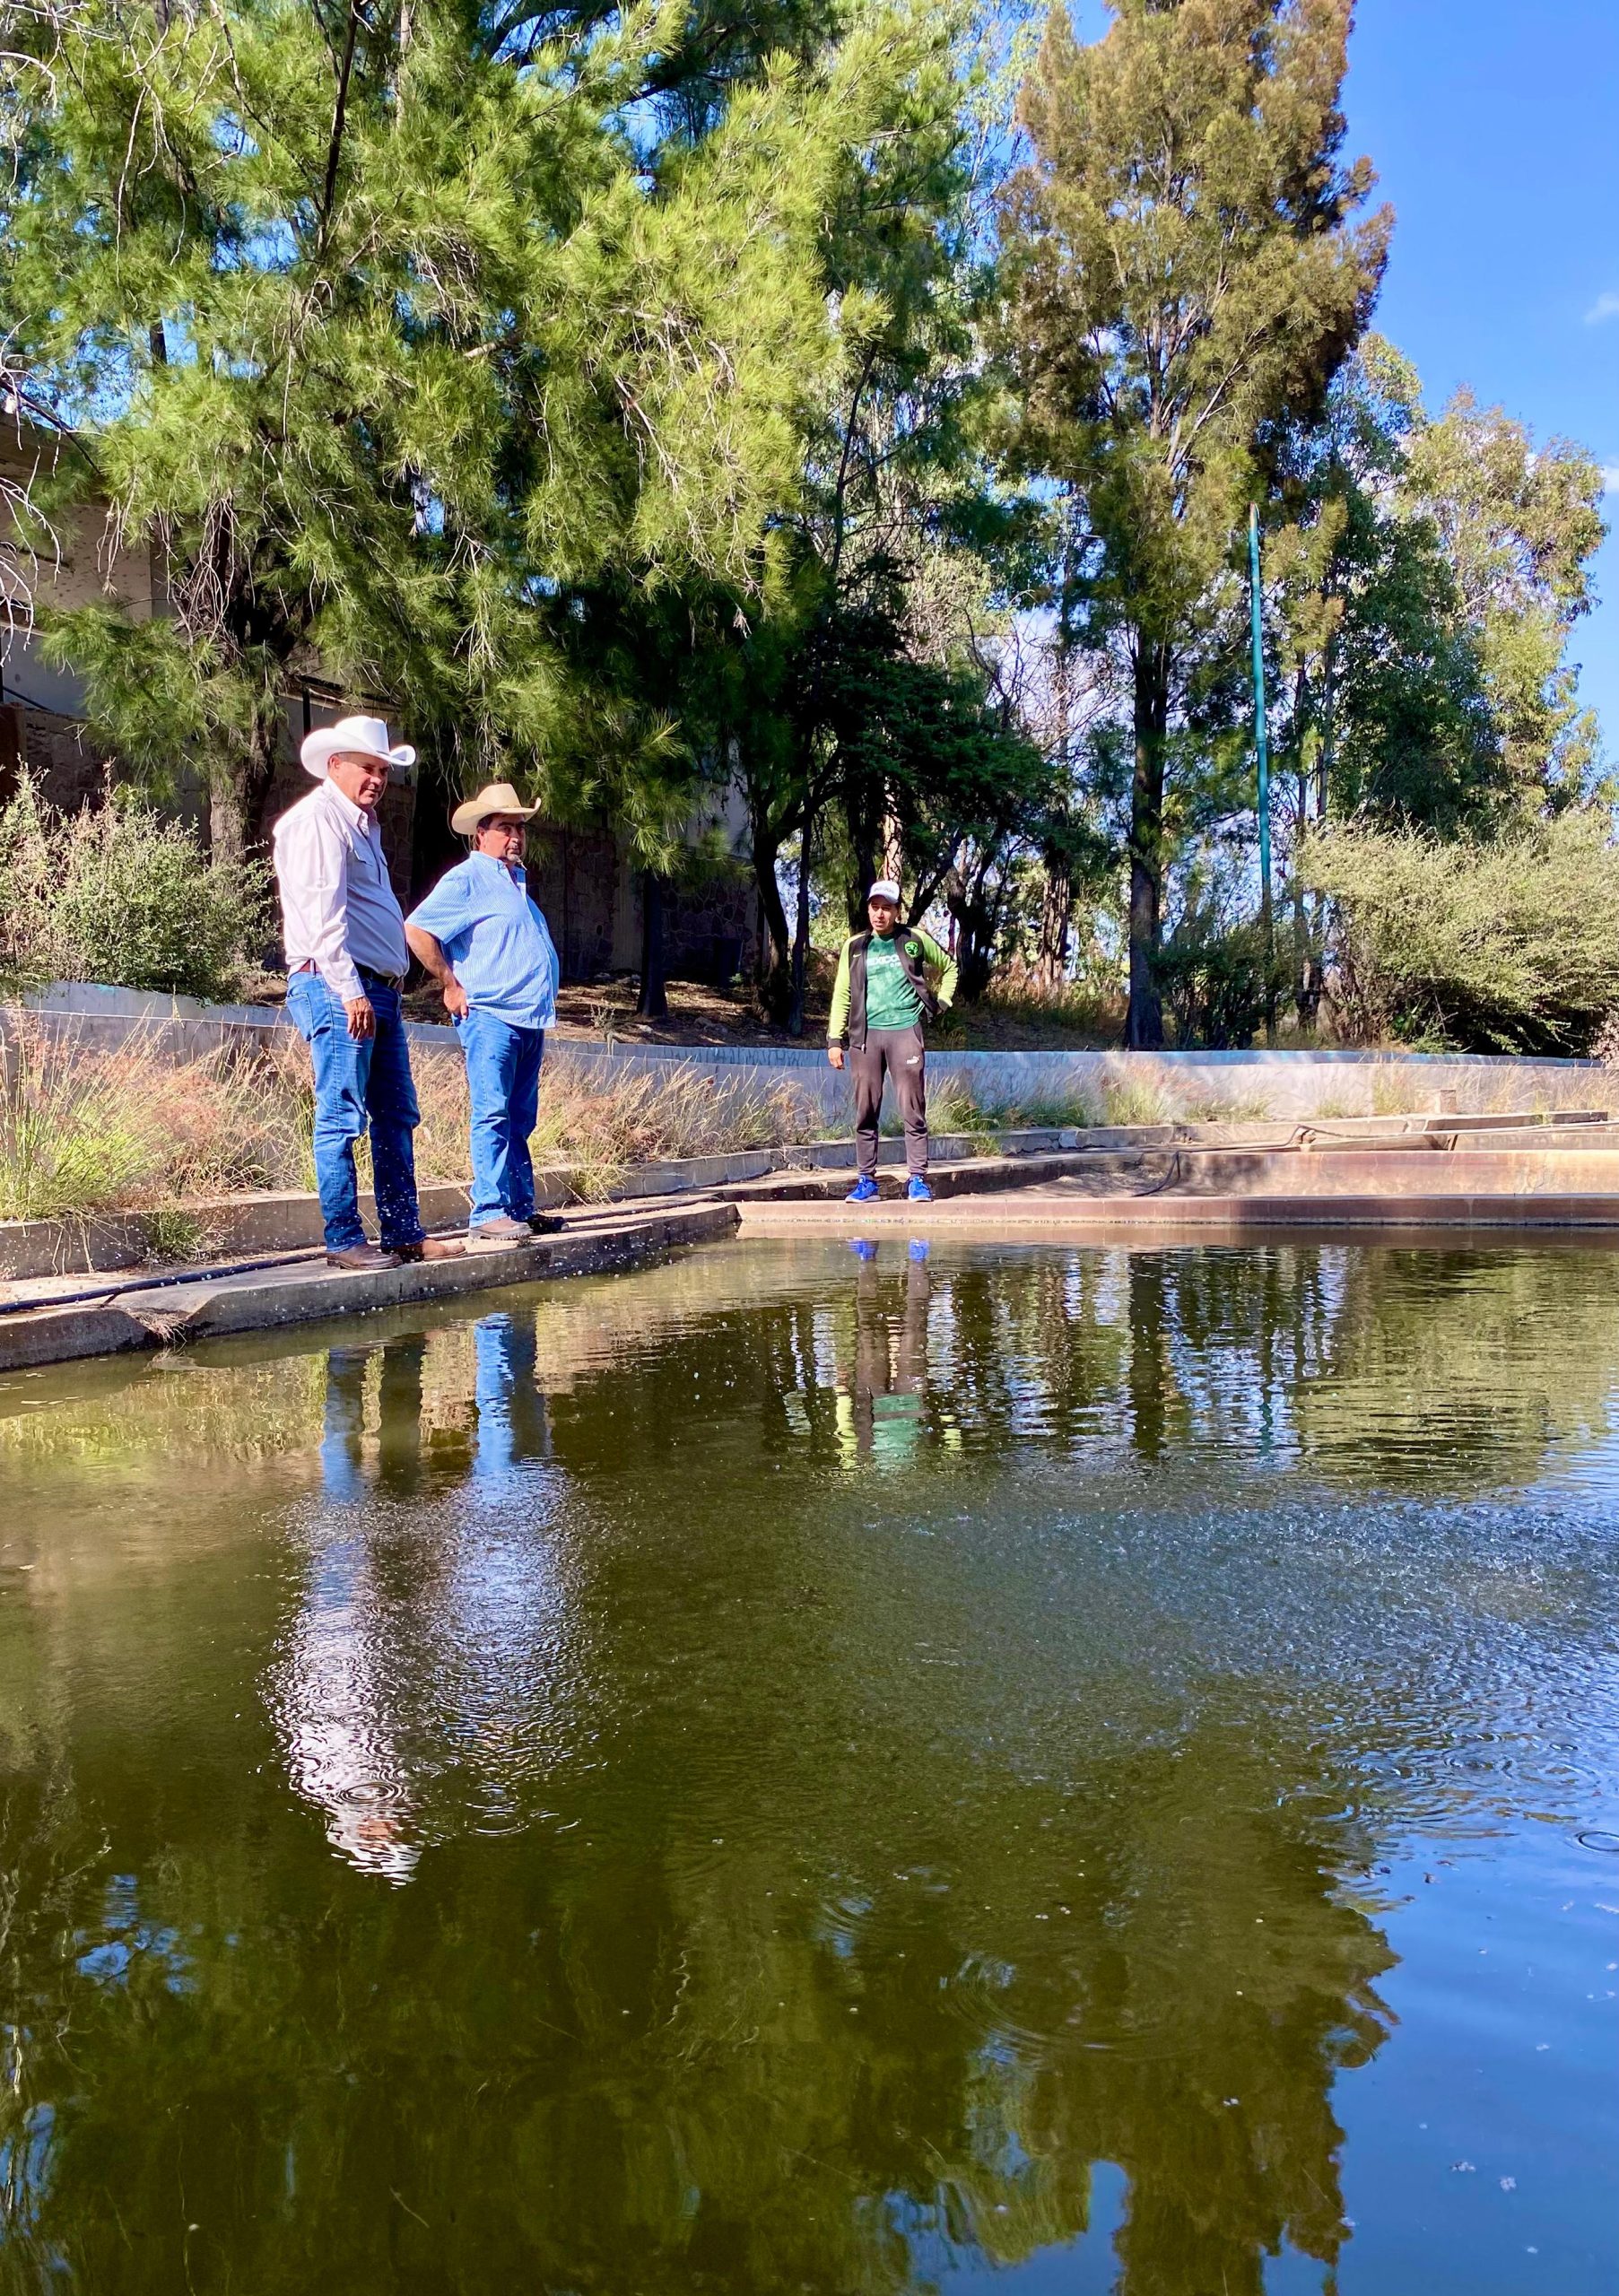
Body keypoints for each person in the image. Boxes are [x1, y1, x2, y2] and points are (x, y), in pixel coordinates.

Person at [273, 714, 464, 1272]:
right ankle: (343, 1238)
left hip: (373, 989)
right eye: (367, 767)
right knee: (341, 1115)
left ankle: (403, 1232)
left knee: (397, 1112)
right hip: (340, 985)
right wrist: (349, 989)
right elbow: (321, 916)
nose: (377, 778)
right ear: (335, 766)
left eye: (382, 769)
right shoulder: (316, 822)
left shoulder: (361, 824)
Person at [405, 780, 564, 1250]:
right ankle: (489, 1211)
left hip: (528, 1020)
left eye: (519, 828)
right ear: (481, 834)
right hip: (491, 1016)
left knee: (520, 1117)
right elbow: (417, 929)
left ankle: (518, 1208)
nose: (514, 837)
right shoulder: (468, 878)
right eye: (504, 828)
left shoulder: (517, 886)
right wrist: (450, 984)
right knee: (493, 1111)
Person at [827, 879, 957, 1204]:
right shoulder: (855, 947)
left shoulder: (914, 940)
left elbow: (950, 967)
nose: (880, 914)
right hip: (865, 1037)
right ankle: (866, 1182)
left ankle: (917, 1180)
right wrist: (834, 1039)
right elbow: (843, 992)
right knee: (865, 1110)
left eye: (887, 908)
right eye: (875, 907)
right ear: (868, 909)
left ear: (897, 911)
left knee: (912, 1108)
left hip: (904, 1033)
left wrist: (941, 1002)